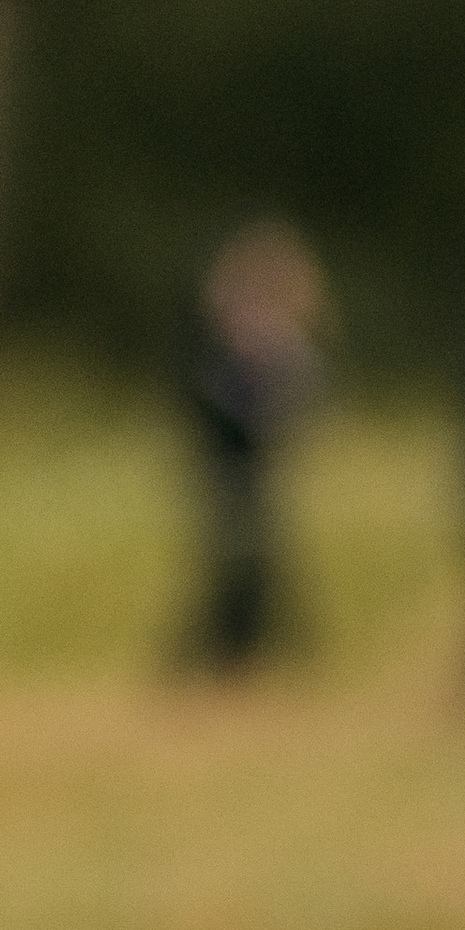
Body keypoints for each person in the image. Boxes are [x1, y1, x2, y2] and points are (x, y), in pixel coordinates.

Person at [177, 222, 327, 672]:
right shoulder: (215, 355)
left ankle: (252, 650)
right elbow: (209, 408)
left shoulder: (288, 356)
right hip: (223, 465)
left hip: (257, 468)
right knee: (229, 557)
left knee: (261, 557)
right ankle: (224, 651)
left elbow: (300, 407)